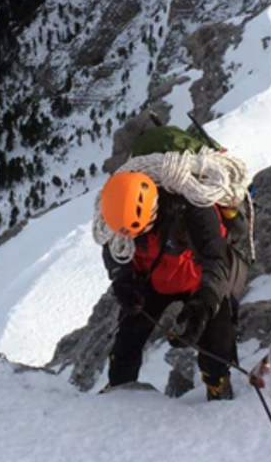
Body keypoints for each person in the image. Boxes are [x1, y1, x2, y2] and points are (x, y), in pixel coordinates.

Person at [99, 170, 249, 400]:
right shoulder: (118, 216)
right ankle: (119, 386)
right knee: (129, 334)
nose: (133, 238)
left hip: (198, 279)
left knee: (217, 336)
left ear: (153, 211)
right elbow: (114, 251)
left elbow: (217, 261)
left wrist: (204, 305)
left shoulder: (195, 208)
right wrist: (123, 280)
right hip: (154, 278)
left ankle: (217, 381)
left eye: (141, 230)